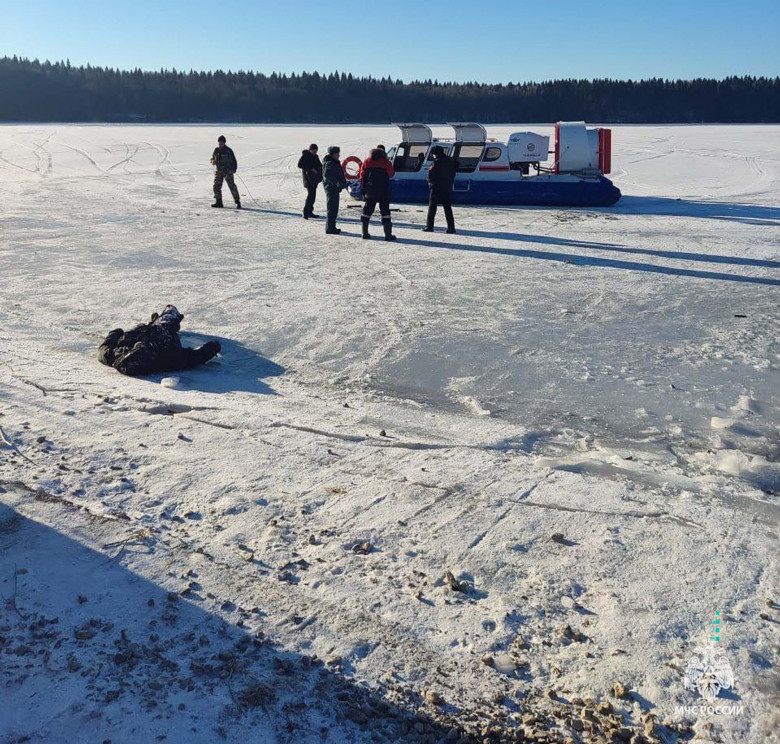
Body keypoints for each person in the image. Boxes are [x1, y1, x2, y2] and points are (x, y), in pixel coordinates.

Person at [98, 305, 221, 377]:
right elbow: (193, 358)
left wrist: (115, 333)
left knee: (166, 320)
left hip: (145, 330)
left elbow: (104, 348)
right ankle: (166, 316)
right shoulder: (167, 360)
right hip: (164, 331)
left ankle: (158, 320)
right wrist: (212, 348)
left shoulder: (114, 355)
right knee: (170, 314)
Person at [359, 147, 396, 241]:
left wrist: (363, 190)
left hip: (370, 190)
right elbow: (391, 174)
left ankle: (364, 233)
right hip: (383, 190)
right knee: (385, 212)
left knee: (367, 211)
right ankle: (388, 235)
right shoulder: (386, 162)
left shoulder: (367, 161)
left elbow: (362, 176)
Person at [424, 146, 456, 233]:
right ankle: (451, 227)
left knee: (432, 208)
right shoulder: (450, 161)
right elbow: (453, 173)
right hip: (446, 187)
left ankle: (429, 226)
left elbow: (431, 175)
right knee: (447, 208)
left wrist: (430, 184)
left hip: (436, 188)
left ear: (435, 154)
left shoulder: (436, 163)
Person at [210, 135, 241, 209]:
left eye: (221, 143)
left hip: (228, 172)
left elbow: (234, 161)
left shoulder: (228, 150)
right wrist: (213, 161)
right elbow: (212, 158)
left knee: (232, 186)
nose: (220, 144)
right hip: (219, 172)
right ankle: (219, 202)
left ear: (224, 143)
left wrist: (233, 169)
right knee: (216, 186)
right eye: (219, 143)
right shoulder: (216, 150)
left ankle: (237, 202)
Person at [322, 145, 347, 235]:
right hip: (331, 189)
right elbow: (327, 175)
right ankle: (330, 228)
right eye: (337, 153)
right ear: (333, 154)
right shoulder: (329, 163)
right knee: (332, 208)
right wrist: (336, 183)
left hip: (334, 188)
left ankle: (331, 227)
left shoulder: (333, 162)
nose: (339, 155)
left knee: (333, 208)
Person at [297, 143, 322, 219]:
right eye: (313, 151)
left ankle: (310, 212)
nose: (315, 152)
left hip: (314, 179)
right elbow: (300, 165)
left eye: (316, 151)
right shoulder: (305, 156)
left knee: (313, 196)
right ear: (310, 150)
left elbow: (319, 164)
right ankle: (305, 212)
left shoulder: (315, 156)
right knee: (310, 195)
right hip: (308, 179)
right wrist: (310, 169)